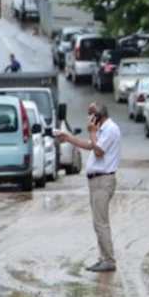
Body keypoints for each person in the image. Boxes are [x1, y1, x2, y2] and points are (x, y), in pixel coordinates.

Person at [56, 102, 122, 272]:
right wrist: (69, 138)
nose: (88, 119)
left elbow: (98, 150)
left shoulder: (110, 129)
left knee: (101, 222)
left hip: (103, 180)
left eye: (90, 114)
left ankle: (108, 259)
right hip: (96, 180)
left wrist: (92, 132)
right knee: (98, 222)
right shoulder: (102, 130)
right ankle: (103, 257)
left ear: (98, 116)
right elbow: (90, 146)